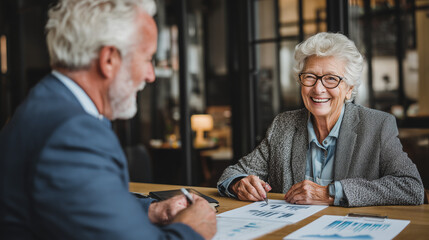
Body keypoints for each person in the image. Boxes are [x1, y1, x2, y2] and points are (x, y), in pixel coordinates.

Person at [0, 0, 216, 239]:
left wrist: (152, 209)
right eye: (147, 58)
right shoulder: (72, 134)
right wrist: (193, 229)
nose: (151, 75)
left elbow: (80, 203)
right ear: (109, 60)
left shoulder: (47, 104)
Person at [217, 32, 424, 207]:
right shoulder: (283, 125)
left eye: (331, 79)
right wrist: (239, 183)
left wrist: (331, 194)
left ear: (349, 89)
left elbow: (411, 187)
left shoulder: (377, 126)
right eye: (310, 77)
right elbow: (233, 173)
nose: (318, 88)